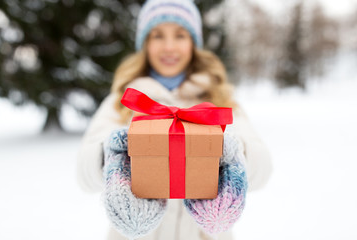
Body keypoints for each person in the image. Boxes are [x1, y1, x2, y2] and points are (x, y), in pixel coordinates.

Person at [76, 0, 273, 239]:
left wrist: (235, 155)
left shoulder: (218, 98)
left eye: (180, 35)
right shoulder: (125, 99)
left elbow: (263, 169)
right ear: (145, 44)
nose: (169, 47)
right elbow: (83, 173)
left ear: (193, 43)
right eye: (158, 35)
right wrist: (110, 157)